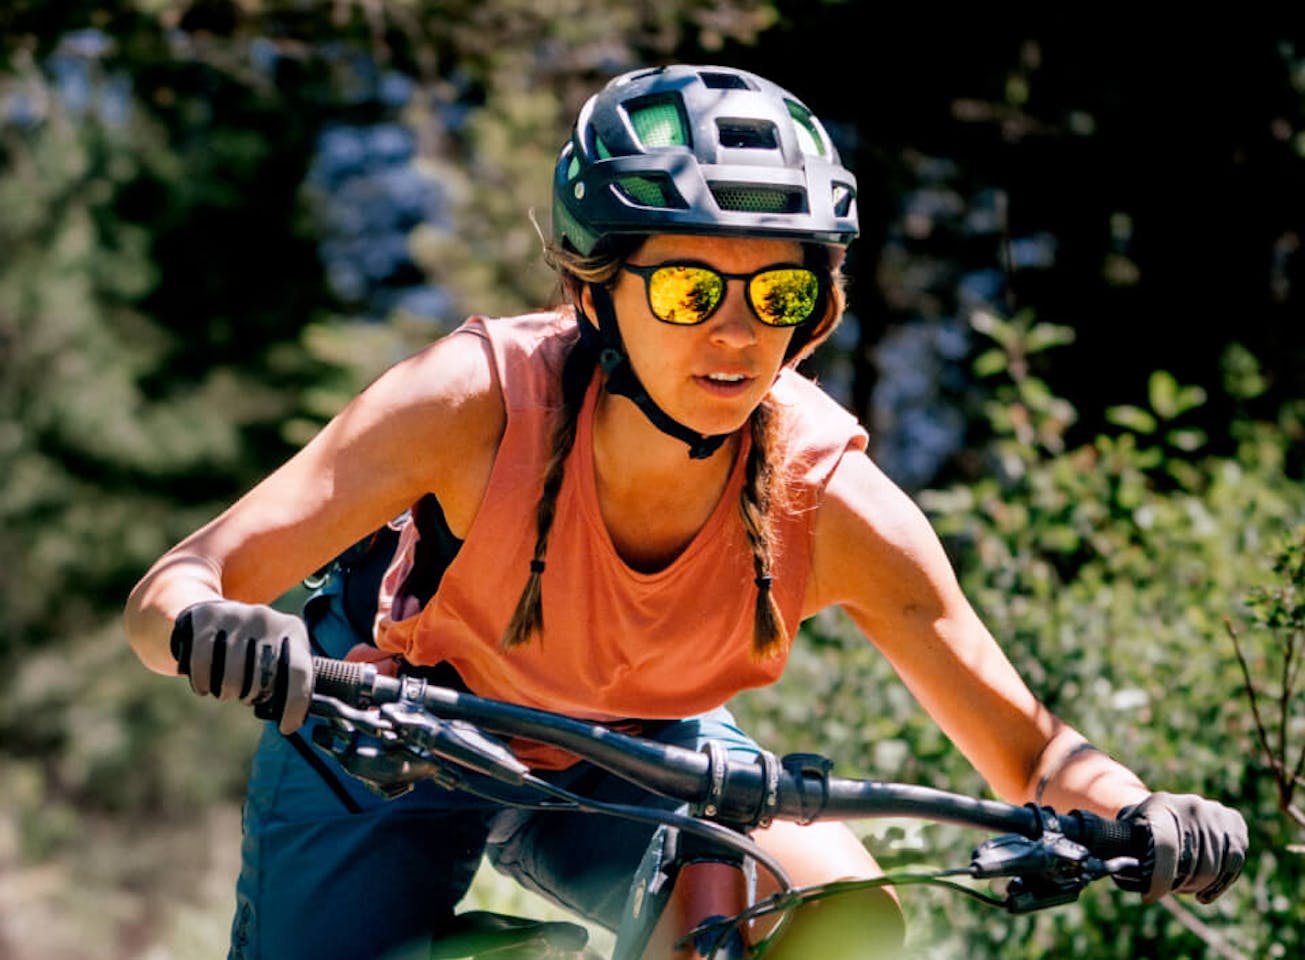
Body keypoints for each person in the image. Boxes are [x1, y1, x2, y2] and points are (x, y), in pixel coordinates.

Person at [124, 64, 1246, 960]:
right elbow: (172, 589)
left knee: (826, 911)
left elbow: (1034, 756)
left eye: (781, 291)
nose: (738, 330)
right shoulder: (471, 406)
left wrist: (1147, 809)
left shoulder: (833, 498)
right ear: (597, 287)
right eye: (689, 288)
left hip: (635, 749)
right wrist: (219, 625)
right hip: (384, 736)